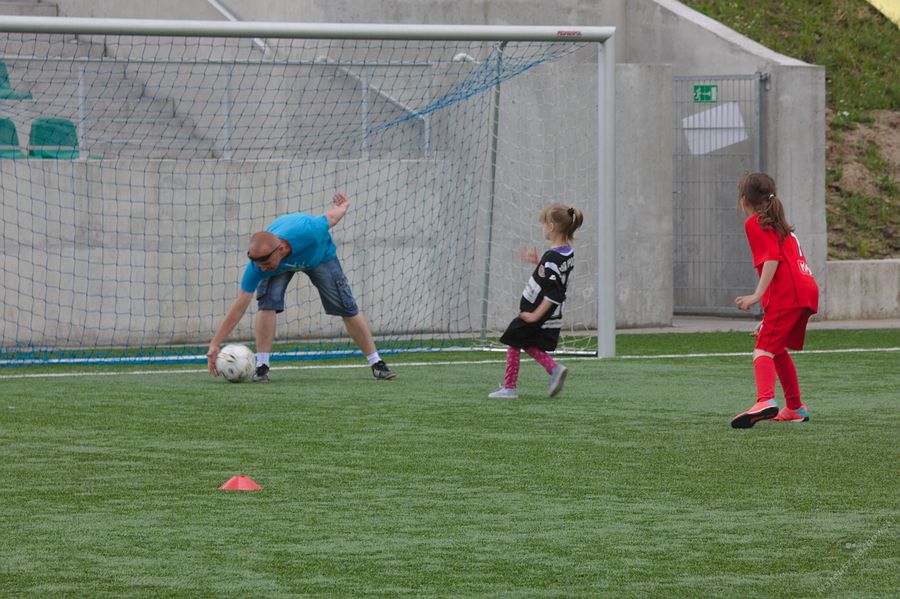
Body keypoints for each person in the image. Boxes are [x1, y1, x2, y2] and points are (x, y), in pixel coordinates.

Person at [207, 193, 396, 382]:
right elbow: (239, 307)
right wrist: (215, 344)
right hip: (281, 264)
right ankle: (262, 367)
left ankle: (376, 363)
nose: (262, 268)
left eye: (265, 263)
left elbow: (332, 217)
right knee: (267, 303)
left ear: (281, 249)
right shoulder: (259, 266)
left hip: (319, 256)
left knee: (347, 307)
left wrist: (343, 206)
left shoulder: (310, 230)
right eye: (258, 264)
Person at [731, 172, 818, 428]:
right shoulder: (778, 223)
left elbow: (772, 258)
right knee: (775, 347)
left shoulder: (755, 223)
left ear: (744, 200)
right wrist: (769, 314)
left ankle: (765, 400)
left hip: (789, 293)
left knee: (763, 349)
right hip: (805, 290)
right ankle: (795, 408)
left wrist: (756, 295)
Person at [488, 202, 583, 399]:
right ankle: (553, 369)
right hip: (545, 310)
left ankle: (510, 388)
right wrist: (539, 261)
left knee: (513, 339)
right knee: (526, 341)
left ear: (551, 227)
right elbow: (553, 274)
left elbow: (554, 293)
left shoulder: (552, 258)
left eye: (543, 224)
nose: (542, 228)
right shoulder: (566, 252)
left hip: (539, 310)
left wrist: (534, 316)